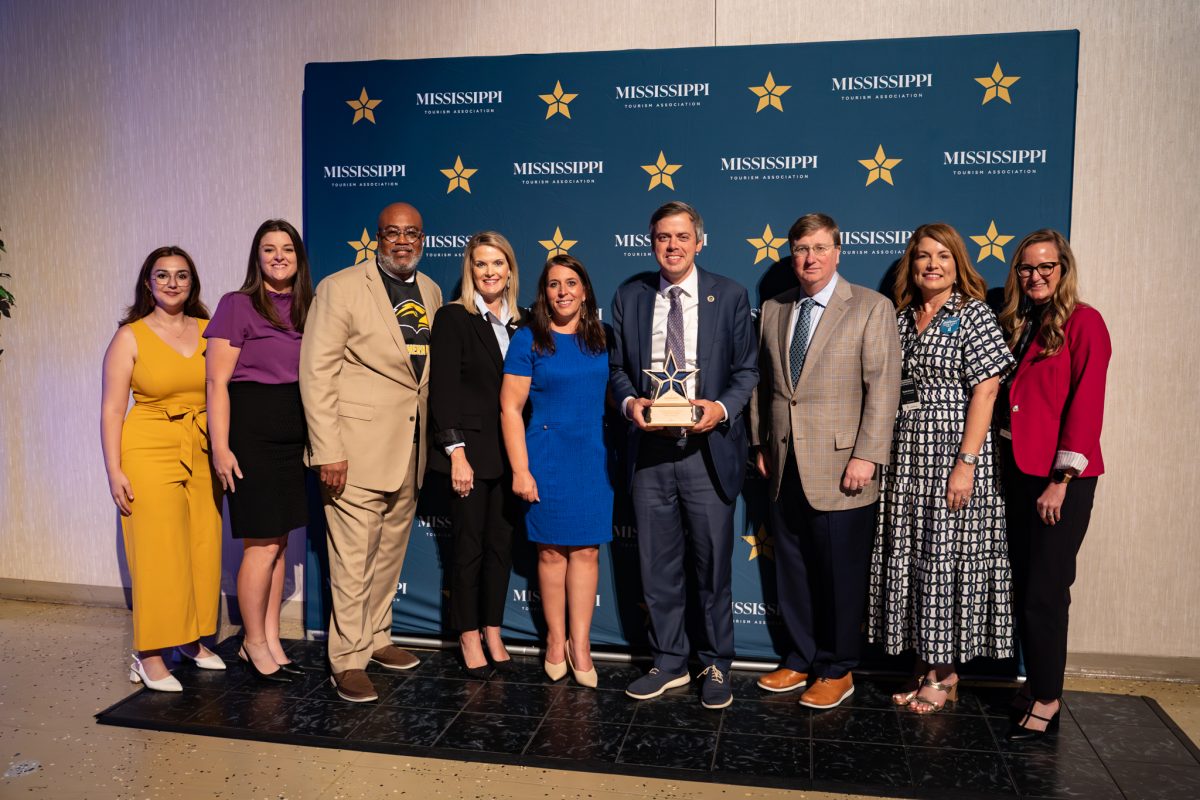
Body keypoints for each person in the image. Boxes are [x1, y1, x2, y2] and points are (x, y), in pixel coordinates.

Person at [610, 201, 758, 710]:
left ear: (700, 241)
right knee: (657, 566)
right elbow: (616, 370)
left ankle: (717, 662)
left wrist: (720, 408)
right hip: (649, 453)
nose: (671, 246)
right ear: (651, 242)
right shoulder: (629, 297)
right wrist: (631, 403)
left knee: (713, 567)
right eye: (661, 238)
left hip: (707, 452)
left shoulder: (731, 295)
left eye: (681, 237)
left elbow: (747, 371)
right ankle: (669, 661)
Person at [750, 212, 900, 710]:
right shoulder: (774, 307)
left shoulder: (870, 307)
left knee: (839, 572)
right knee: (791, 567)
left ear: (838, 251)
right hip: (783, 462)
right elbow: (765, 387)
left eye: (818, 248)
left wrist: (868, 455)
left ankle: (837, 668)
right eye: (800, 249)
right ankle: (799, 656)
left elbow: (883, 387)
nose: (809, 258)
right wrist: (760, 444)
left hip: (843, 465)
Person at [866, 223, 1016, 714]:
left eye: (943, 256)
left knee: (949, 560)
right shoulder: (902, 317)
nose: (932, 264)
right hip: (907, 457)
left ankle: (947, 673)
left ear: (958, 264)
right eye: (923, 256)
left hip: (955, 454)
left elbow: (987, 389)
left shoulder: (973, 315)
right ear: (911, 265)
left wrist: (967, 462)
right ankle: (926, 662)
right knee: (917, 557)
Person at [299, 202, 443, 702]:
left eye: (412, 233)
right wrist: (327, 449)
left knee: (387, 555)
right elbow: (316, 373)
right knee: (352, 559)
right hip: (353, 451)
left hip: (409, 447)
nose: (403, 241)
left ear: (422, 238)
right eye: (392, 233)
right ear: (377, 237)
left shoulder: (429, 290)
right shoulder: (340, 288)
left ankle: (378, 636)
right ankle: (347, 657)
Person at [997, 229, 1110, 739]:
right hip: (1016, 472)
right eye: (1026, 267)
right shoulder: (1018, 321)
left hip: (1059, 479)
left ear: (1063, 270)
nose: (1035, 275)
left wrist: (1062, 480)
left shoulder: (1085, 322)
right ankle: (1034, 681)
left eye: (1046, 267)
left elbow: (1087, 407)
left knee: (1046, 590)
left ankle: (1048, 695)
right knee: (1025, 588)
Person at [100, 246, 224, 691]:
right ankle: (149, 654)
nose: (173, 283)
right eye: (163, 275)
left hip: (202, 446)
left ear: (193, 283)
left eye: (182, 275)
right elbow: (113, 410)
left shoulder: (213, 330)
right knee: (158, 552)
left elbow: (225, 392)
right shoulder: (130, 336)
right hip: (149, 447)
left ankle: (189, 639)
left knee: (202, 547)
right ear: (148, 283)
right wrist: (114, 469)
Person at [205, 219, 314, 684]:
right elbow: (216, 382)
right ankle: (251, 641)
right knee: (261, 545)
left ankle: (268, 638)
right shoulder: (237, 305)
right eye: (268, 249)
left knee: (281, 543)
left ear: (297, 257)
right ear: (257, 257)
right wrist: (221, 448)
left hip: (295, 433)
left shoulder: (310, 306)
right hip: (251, 433)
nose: (278, 257)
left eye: (286, 249)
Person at [500, 254, 612, 689]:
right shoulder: (529, 339)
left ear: (585, 290)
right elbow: (509, 408)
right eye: (553, 284)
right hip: (545, 456)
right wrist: (521, 470)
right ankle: (555, 640)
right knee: (549, 553)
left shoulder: (604, 338)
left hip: (593, 458)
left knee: (585, 552)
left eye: (571, 283)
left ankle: (580, 646)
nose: (562, 291)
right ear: (543, 293)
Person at [429, 232, 523, 677]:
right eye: (481, 264)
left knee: (500, 548)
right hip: (471, 453)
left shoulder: (522, 324)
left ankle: (492, 628)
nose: (490, 272)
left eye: (497, 264)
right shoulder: (454, 318)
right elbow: (442, 392)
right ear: (471, 271)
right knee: (467, 549)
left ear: (509, 271)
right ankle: (466, 633)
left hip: (512, 456)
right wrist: (456, 453)